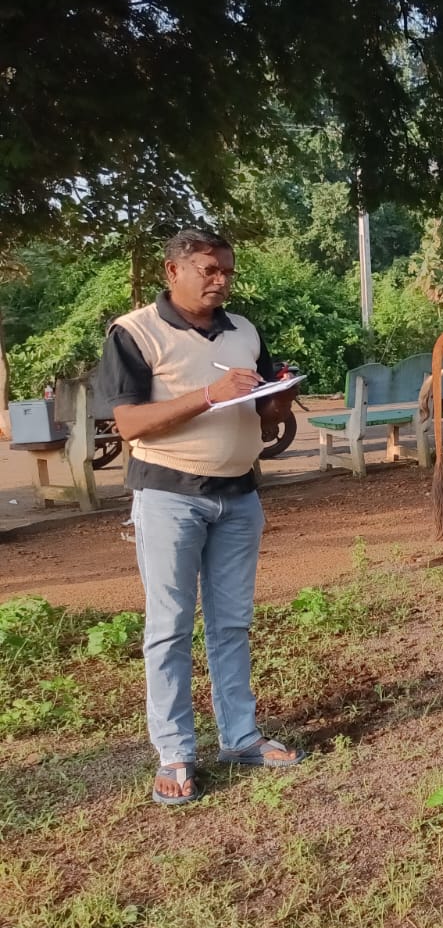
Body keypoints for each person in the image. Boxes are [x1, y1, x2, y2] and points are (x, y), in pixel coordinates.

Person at [96, 228, 304, 806]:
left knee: (232, 622)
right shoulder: (135, 332)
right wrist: (209, 394)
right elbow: (128, 424)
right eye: (209, 270)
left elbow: (259, 416)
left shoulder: (244, 331)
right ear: (173, 271)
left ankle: (240, 737)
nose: (221, 281)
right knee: (168, 627)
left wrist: (278, 398)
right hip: (169, 495)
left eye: (227, 271)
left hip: (239, 494)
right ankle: (175, 752)